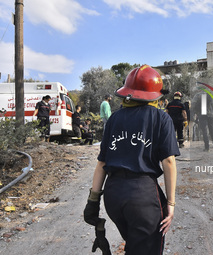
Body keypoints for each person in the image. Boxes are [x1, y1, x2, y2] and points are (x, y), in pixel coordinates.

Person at [83, 65, 179, 255]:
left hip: (114, 196)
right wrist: (171, 203)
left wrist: (93, 201)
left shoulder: (114, 119)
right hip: (142, 196)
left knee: (135, 245)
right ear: (155, 95)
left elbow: (102, 163)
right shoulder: (161, 118)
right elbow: (168, 162)